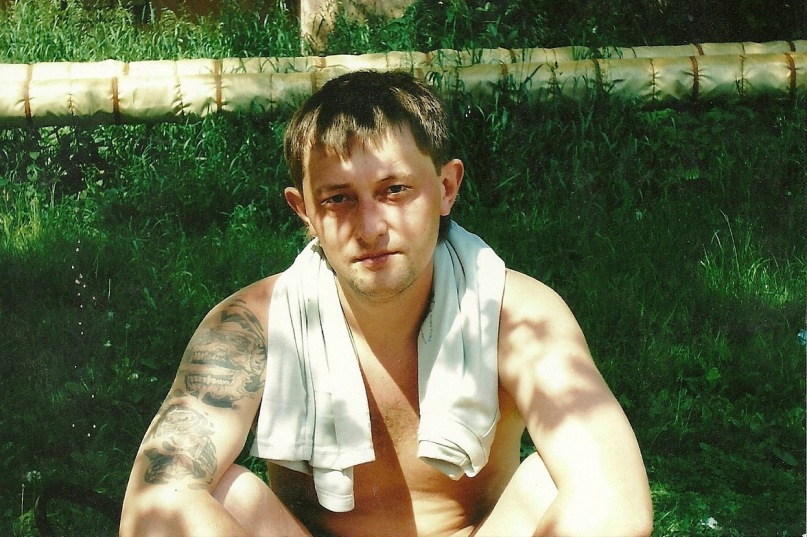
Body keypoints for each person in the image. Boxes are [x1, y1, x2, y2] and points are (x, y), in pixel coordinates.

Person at [119, 70, 653, 537]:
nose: (371, 227)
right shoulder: (251, 325)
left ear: (446, 187)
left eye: (395, 190)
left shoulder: (517, 315)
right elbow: (152, 509)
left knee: (554, 480)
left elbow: (618, 506)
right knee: (212, 491)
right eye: (338, 199)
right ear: (304, 212)